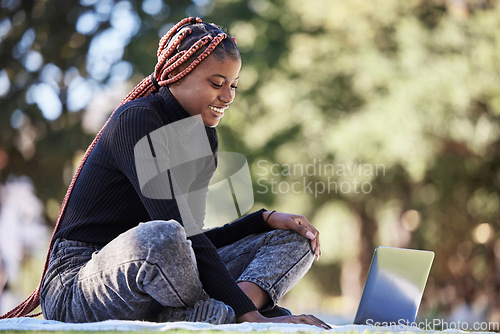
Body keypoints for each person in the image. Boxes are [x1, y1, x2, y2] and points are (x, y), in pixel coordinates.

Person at [0, 17, 330, 329]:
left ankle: (220, 313)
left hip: (163, 276)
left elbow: (194, 244)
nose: (227, 97)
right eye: (217, 83)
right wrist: (252, 317)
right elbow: (177, 235)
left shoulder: (203, 136)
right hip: (80, 284)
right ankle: (238, 314)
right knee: (163, 236)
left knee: (294, 237)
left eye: (233, 85)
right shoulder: (137, 121)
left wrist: (262, 221)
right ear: (178, 74)